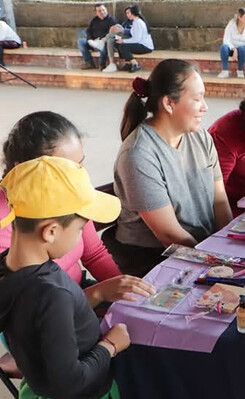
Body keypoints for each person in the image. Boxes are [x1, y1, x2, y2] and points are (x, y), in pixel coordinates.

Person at [0, 156, 132, 399]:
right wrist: (110, 345)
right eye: (79, 228)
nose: (79, 238)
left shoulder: (7, 268)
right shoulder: (51, 293)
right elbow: (70, 383)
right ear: (50, 231)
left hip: (38, 398)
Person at [0, 111, 155, 301]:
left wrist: (126, 291)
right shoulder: (8, 223)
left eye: (80, 165)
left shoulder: (71, 194)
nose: (80, 178)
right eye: (67, 170)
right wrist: (97, 294)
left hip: (78, 295)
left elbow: (95, 254)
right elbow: (29, 313)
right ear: (25, 170)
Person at [106, 59, 232, 277]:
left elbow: (220, 201)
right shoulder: (138, 154)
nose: (205, 107)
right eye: (197, 98)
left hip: (199, 248)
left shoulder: (200, 137)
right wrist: (217, 262)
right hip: (154, 259)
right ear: (168, 104)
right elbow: (169, 235)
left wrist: (229, 249)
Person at [110, 5, 153, 73]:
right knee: (117, 44)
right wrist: (121, 33)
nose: (128, 15)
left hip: (145, 46)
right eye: (127, 13)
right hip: (139, 43)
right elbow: (132, 33)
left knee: (123, 46)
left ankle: (135, 64)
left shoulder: (138, 23)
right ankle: (128, 63)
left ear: (133, 13)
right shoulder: (135, 21)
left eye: (129, 13)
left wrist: (123, 41)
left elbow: (136, 39)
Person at [77, 3, 116, 70]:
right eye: (99, 11)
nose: (102, 12)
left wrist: (101, 40)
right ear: (96, 12)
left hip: (103, 41)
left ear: (106, 10)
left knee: (103, 47)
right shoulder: (94, 20)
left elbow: (112, 33)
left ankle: (102, 64)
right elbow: (88, 31)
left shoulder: (111, 20)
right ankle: (89, 62)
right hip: (93, 42)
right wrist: (90, 40)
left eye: (103, 10)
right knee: (80, 41)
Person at [218, 7, 245, 79]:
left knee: (242, 49)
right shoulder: (231, 24)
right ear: (239, 17)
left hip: (243, 48)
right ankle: (225, 71)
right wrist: (234, 49)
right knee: (223, 47)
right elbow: (226, 39)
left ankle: (240, 70)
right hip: (232, 47)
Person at [101, 7, 134, 72]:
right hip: (123, 37)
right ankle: (112, 64)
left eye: (130, 12)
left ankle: (102, 41)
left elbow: (135, 33)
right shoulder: (126, 22)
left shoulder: (138, 22)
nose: (129, 14)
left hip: (132, 39)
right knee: (110, 39)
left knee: (116, 27)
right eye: (127, 13)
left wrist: (122, 30)